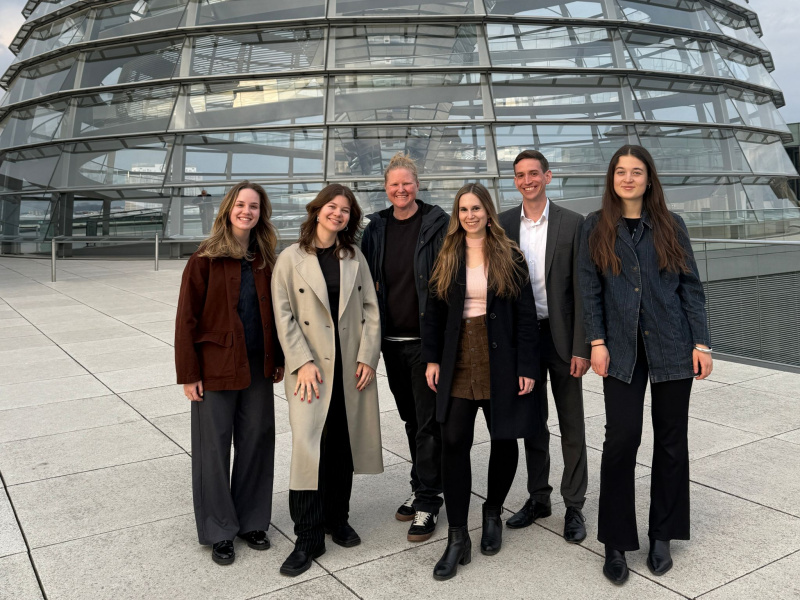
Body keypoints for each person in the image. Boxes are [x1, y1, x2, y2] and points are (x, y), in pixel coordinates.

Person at [578, 145, 713, 585]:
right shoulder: (594, 227)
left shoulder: (672, 226)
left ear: (649, 179)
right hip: (619, 349)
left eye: (637, 172)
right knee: (622, 440)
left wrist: (702, 343)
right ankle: (615, 542)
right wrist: (595, 341)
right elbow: (589, 289)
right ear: (612, 178)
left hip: (672, 344)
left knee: (672, 441)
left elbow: (690, 287)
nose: (629, 178)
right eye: (621, 171)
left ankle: (663, 534)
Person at [422, 183, 540, 581]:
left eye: (476, 208)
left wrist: (527, 366)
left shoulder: (510, 256)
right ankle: (458, 537)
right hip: (458, 355)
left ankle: (492, 510)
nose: (470, 215)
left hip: (501, 357)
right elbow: (433, 313)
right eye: (463, 209)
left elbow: (526, 317)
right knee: (453, 440)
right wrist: (432, 358)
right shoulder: (448, 254)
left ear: (488, 211)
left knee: (504, 438)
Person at [272, 183, 383, 577]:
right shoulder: (290, 258)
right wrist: (301, 362)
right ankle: (307, 536)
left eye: (346, 210)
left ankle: (338, 519)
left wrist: (368, 357)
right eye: (332, 207)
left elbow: (371, 309)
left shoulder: (354, 257)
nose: (338, 214)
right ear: (317, 211)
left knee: (342, 446)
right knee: (308, 448)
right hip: (311, 372)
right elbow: (282, 315)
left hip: (349, 367)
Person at [175, 180, 285, 566]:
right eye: (241, 205)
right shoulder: (203, 259)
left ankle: (252, 522)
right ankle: (219, 530)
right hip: (214, 368)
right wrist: (190, 374)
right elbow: (185, 320)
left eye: (254, 206)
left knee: (258, 442)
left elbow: (277, 313)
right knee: (213, 450)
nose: (247, 211)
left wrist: (280, 359)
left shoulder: (266, 258)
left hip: (257, 366)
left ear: (261, 214)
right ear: (228, 209)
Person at [498, 150, 591, 543]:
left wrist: (583, 346)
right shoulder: (502, 224)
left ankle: (574, 505)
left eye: (534, 173)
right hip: (524, 338)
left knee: (571, 424)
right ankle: (539, 498)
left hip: (564, 337)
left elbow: (586, 289)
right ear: (515, 180)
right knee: (532, 423)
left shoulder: (574, 223)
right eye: (520, 175)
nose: (527, 180)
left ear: (548, 177)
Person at [361, 153, 449, 542]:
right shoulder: (375, 227)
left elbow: (449, 283)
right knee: (412, 420)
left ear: (418, 184)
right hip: (391, 344)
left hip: (424, 343)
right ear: (386, 187)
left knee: (429, 423)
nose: (401, 189)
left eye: (407, 183)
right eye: (394, 184)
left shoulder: (438, 223)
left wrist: (441, 348)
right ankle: (422, 484)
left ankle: (429, 501)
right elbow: (363, 283)